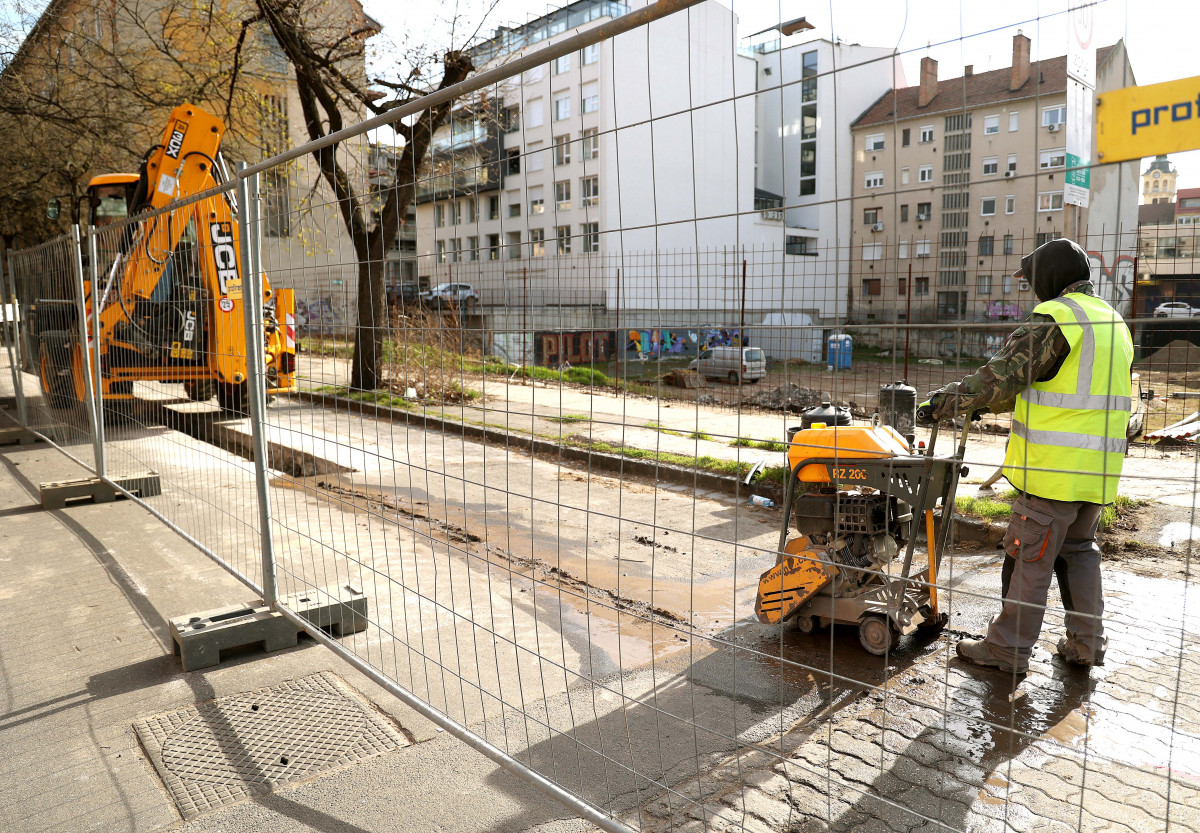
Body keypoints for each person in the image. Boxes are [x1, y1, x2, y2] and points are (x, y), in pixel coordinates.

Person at [920, 238, 1132, 674]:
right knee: (1080, 555)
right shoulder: (1114, 321)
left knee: (1029, 560)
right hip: (1099, 472)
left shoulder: (1056, 319)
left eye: (1032, 280)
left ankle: (1007, 650)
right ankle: (1086, 645)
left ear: (1049, 277)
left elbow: (1002, 377)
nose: (1032, 290)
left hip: (1052, 473)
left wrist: (944, 402)